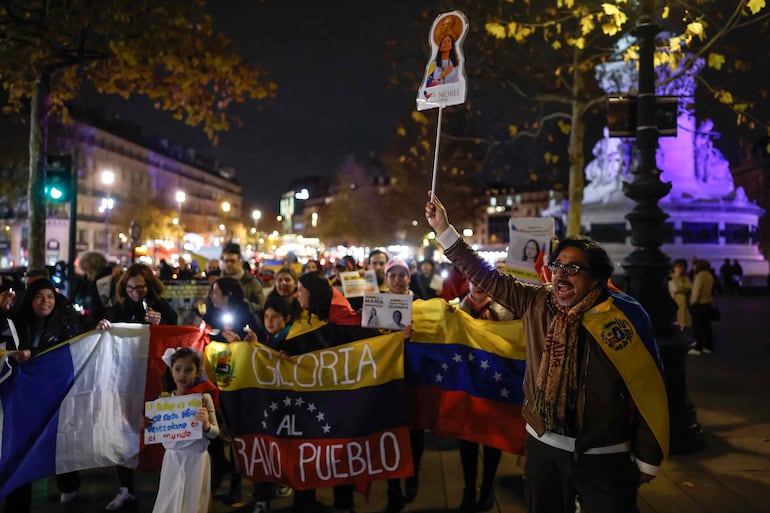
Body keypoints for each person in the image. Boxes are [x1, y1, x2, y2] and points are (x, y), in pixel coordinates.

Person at [425, 194, 668, 513]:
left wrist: (648, 455)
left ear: (597, 276)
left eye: (573, 268)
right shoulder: (537, 302)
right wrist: (444, 229)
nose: (560, 275)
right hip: (544, 447)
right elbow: (485, 276)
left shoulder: (624, 316)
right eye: (557, 266)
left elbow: (649, 386)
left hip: (604, 452)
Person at [96, 263, 178, 510]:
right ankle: (126, 488)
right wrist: (102, 326)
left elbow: (174, 332)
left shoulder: (161, 307)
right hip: (125, 380)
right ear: (124, 288)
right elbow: (101, 328)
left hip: (155, 377)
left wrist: (161, 322)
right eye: (131, 288)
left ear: (149, 286)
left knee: (160, 429)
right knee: (124, 430)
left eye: (140, 288)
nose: (135, 293)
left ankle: (168, 485)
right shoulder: (117, 309)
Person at [0, 278, 83, 512]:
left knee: (57, 440)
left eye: (49, 296)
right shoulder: (17, 320)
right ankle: (17, 503)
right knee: (20, 448)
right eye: (38, 296)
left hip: (54, 395)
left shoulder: (65, 321)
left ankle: (68, 484)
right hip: (24, 397)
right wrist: (1, 312)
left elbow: (75, 345)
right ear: (30, 299)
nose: (45, 301)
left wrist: (32, 353)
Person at [456, 281, 514, 512]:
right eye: (474, 279)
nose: (478, 285)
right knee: (467, 438)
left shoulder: (505, 311)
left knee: (492, 437)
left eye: (482, 280)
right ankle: (469, 489)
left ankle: (487, 487)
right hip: (467, 383)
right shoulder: (457, 310)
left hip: (494, 385)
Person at [149, 347, 220, 513]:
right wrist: (148, 425)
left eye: (188, 370)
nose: (182, 374)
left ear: (197, 372)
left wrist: (206, 426)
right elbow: (157, 432)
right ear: (171, 371)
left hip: (196, 459)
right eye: (178, 369)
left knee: (192, 501)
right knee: (169, 500)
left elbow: (215, 432)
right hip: (172, 460)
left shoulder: (204, 399)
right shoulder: (163, 402)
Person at [70, 251, 113, 330]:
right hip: (83, 323)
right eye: (85, 269)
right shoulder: (82, 282)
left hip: (100, 324)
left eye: (89, 269)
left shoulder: (106, 282)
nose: (88, 273)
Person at [220, 242, 265, 314]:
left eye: (232, 261)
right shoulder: (218, 282)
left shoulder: (252, 283)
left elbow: (261, 306)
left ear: (240, 262)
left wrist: (247, 305)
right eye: (226, 261)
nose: (228, 264)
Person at [689, 259, 715, 355]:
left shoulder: (699, 276)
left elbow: (696, 292)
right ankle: (708, 346)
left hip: (699, 305)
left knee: (697, 328)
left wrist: (691, 303)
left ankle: (698, 347)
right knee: (706, 327)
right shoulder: (709, 275)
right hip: (707, 303)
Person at [668, 259, 693, 347]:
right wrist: (685, 288)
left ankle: (684, 340)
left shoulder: (685, 277)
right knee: (677, 322)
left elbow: (690, 287)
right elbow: (676, 289)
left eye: (682, 267)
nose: (680, 269)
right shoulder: (671, 277)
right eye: (678, 267)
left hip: (685, 303)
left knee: (685, 323)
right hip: (676, 302)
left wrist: (683, 288)